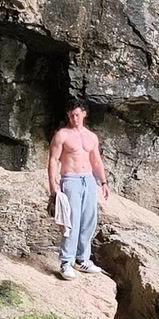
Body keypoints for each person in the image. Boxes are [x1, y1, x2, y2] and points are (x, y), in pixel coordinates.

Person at [48, 103, 110, 280]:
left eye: (77, 115)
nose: (74, 119)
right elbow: (53, 160)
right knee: (71, 221)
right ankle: (66, 262)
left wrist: (104, 182)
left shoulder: (91, 137)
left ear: (84, 114)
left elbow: (96, 161)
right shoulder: (62, 135)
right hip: (71, 179)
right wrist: (53, 184)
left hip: (89, 179)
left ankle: (83, 259)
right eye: (71, 115)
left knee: (89, 220)